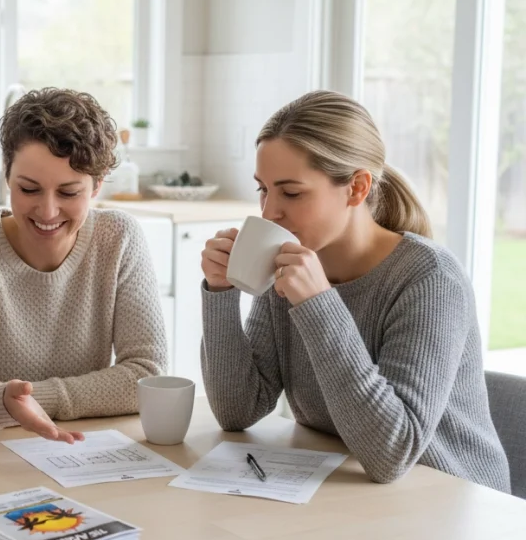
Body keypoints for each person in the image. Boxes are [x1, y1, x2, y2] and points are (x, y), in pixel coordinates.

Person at [199, 90, 510, 491]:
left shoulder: (430, 278)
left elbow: (392, 453)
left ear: (357, 188)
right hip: (351, 491)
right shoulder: (290, 260)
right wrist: (221, 292)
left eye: (291, 193)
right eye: (263, 189)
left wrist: (318, 305)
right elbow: (237, 410)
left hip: (454, 500)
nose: (269, 212)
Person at [0, 88, 167, 441]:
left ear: (96, 186)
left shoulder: (119, 238)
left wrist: (32, 399)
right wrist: (5, 403)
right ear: (7, 175)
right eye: (29, 189)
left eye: (68, 193)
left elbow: (148, 375)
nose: (48, 211)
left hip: (82, 449)